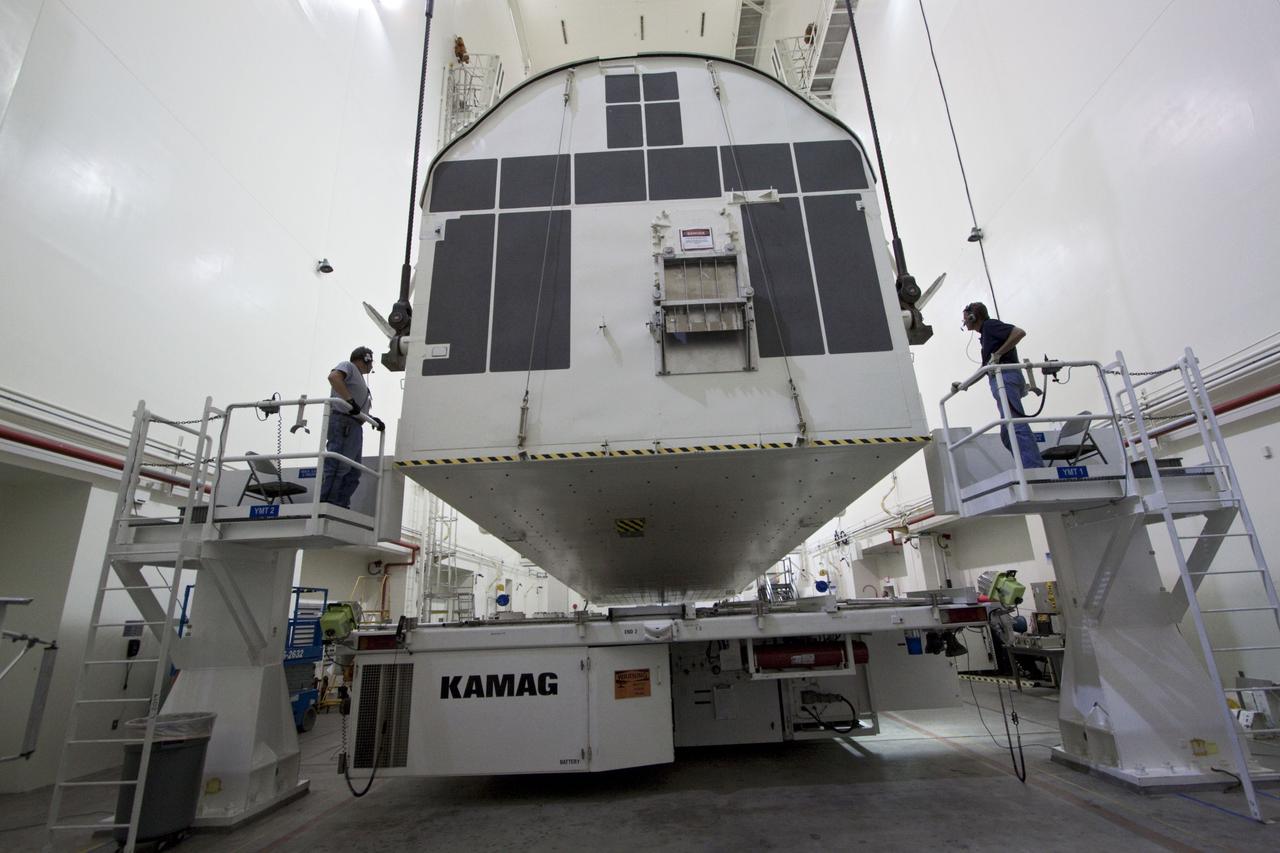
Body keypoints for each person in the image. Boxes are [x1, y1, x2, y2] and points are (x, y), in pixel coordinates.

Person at [962, 303, 1044, 469]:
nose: (964, 322)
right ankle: (1025, 465)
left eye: (965, 318)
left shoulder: (990, 326)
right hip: (1001, 380)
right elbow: (985, 367)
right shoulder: (985, 335)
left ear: (973, 317)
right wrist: (965, 384)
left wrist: (998, 354)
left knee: (1016, 426)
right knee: (1007, 433)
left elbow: (1019, 333)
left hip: (1006, 378)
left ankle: (1033, 468)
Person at [321, 347, 385, 508]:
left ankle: (341, 504)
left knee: (353, 472)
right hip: (344, 423)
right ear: (366, 358)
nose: (372, 366)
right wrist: (349, 401)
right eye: (371, 361)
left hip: (354, 426)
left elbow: (358, 408)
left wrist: (371, 419)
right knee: (338, 466)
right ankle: (327, 504)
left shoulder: (360, 379)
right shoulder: (348, 366)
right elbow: (334, 377)